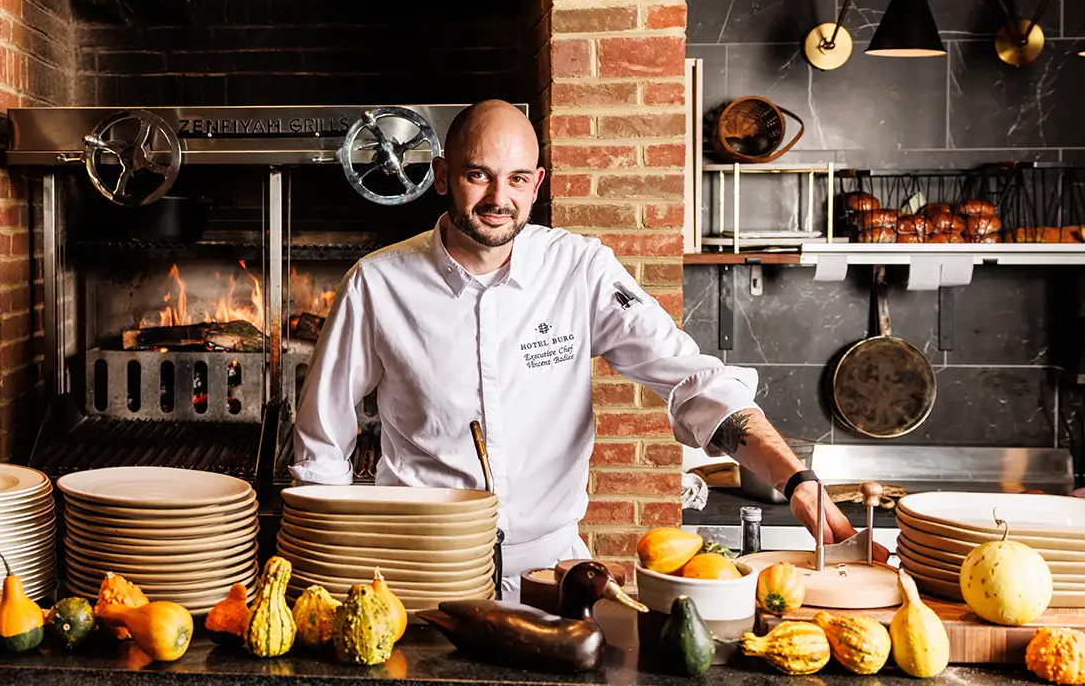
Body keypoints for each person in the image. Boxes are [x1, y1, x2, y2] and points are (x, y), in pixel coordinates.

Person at [291, 99, 861, 599]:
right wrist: (327, 574)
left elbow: (693, 381)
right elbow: (322, 443)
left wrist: (794, 478)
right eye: (478, 176)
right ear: (440, 176)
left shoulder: (581, 269)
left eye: (517, 179)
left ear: (536, 184)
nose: (499, 198)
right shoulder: (377, 283)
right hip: (422, 567)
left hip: (551, 568)